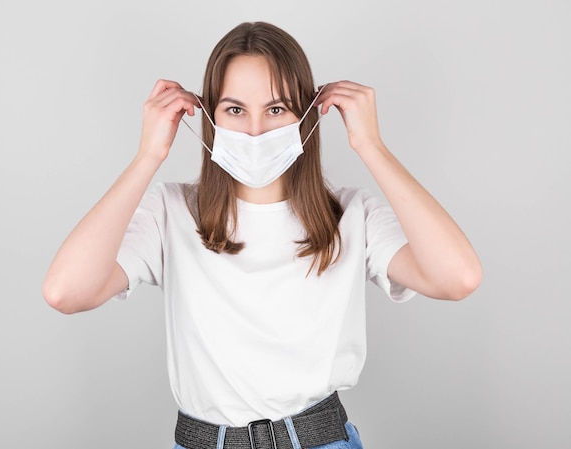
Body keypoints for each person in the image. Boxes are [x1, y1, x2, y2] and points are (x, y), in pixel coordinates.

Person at [43, 21, 482, 449]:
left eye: (276, 109)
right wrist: (147, 156)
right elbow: (66, 291)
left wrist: (372, 146)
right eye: (235, 110)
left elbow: (457, 277)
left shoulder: (351, 214)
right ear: (209, 115)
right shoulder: (169, 211)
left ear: (306, 115)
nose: (255, 131)